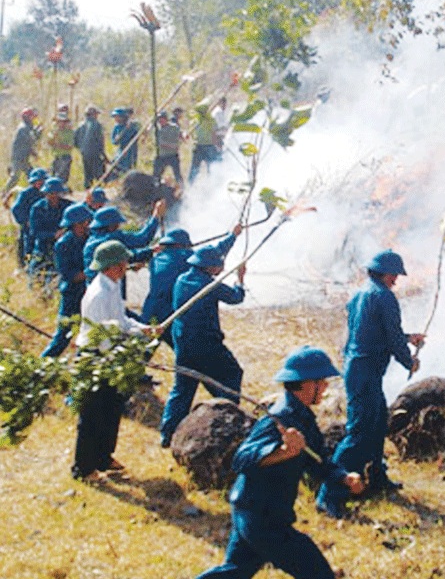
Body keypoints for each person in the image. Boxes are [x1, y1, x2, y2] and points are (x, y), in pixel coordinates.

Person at [196, 346, 365, 579]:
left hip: (258, 511)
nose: (326, 387)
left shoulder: (303, 417)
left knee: (236, 571)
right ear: (305, 384)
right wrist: (283, 452)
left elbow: (317, 460)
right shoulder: (278, 418)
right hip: (261, 516)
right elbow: (241, 460)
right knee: (317, 573)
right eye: (322, 381)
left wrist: (343, 477)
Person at [315, 249, 425, 518]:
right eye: (395, 275)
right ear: (386, 274)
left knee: (376, 426)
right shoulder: (384, 297)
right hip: (366, 371)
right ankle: (329, 494)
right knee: (360, 433)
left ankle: (377, 478)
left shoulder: (360, 294)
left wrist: (409, 337)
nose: (396, 280)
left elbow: (375, 331)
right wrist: (408, 360)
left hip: (360, 368)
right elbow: (390, 338)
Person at [71, 240, 156, 481]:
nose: (127, 266)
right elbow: (103, 336)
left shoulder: (112, 286)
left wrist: (143, 329)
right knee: (92, 416)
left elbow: (121, 320)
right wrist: (122, 352)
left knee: (111, 409)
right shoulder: (98, 294)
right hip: (98, 358)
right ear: (114, 266)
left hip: (111, 355)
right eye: (124, 262)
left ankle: (103, 457)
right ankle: (84, 469)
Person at [159, 244, 246, 448]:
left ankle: (167, 434)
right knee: (231, 375)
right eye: (218, 265)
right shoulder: (208, 285)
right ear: (210, 267)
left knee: (182, 389)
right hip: (206, 345)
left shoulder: (181, 279)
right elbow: (236, 298)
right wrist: (240, 280)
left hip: (183, 344)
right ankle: (228, 418)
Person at [141, 225, 240, 344]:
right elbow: (213, 253)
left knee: (141, 352)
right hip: (171, 315)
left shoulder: (155, 260)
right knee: (185, 353)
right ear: (182, 245)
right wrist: (233, 236)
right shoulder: (186, 258)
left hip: (150, 312)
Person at [42, 203, 93, 357]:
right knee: (63, 336)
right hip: (72, 295)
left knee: (91, 334)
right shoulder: (63, 244)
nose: (88, 224)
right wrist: (93, 272)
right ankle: (42, 368)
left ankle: (81, 366)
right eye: (86, 221)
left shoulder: (89, 238)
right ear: (77, 224)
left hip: (87, 293)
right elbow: (69, 275)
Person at [83, 202, 165, 290]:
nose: (118, 226)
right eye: (117, 224)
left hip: (94, 285)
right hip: (109, 286)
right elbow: (142, 239)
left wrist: (128, 267)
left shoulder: (92, 240)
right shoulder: (112, 238)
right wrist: (156, 215)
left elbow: (109, 264)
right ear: (111, 225)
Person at [28, 177, 74, 283]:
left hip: (65, 246)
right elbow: (34, 232)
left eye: (57, 193)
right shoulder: (37, 208)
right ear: (45, 193)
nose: (54, 196)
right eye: (51, 193)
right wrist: (53, 235)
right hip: (43, 247)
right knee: (36, 272)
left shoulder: (69, 206)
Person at [10, 168, 48, 267]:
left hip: (43, 225)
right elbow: (16, 209)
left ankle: (43, 264)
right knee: (28, 247)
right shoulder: (26, 194)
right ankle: (27, 264)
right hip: (29, 227)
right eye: (38, 181)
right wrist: (25, 221)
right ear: (33, 182)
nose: (41, 183)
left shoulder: (47, 193)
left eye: (43, 181)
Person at [5, 107, 40, 193]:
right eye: (32, 117)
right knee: (15, 177)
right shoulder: (23, 128)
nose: (34, 119)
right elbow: (30, 140)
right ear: (27, 117)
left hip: (24, 157)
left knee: (31, 174)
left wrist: (33, 153)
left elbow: (28, 144)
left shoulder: (28, 127)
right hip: (19, 157)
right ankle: (4, 193)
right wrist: (38, 133)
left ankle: (35, 192)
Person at [187, 100, 220, 183]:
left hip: (207, 146)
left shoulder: (208, 121)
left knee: (211, 169)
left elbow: (214, 134)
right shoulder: (198, 121)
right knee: (196, 169)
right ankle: (190, 186)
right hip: (201, 147)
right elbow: (214, 134)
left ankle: (212, 186)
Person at [74, 105, 107, 188]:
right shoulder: (97, 125)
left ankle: (87, 191)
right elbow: (100, 141)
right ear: (93, 114)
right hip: (95, 153)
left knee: (87, 174)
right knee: (99, 174)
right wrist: (104, 155)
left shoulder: (80, 125)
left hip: (84, 153)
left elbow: (75, 140)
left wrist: (81, 149)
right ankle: (98, 191)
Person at [152, 111, 184, 185]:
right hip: (162, 156)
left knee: (177, 174)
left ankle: (182, 188)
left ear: (166, 119)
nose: (160, 121)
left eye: (162, 119)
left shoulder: (174, 127)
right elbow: (161, 143)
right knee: (156, 175)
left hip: (172, 155)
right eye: (159, 119)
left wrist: (183, 137)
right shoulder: (158, 130)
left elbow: (180, 134)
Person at [110, 107, 140, 178]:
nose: (116, 119)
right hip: (121, 151)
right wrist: (119, 136)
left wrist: (130, 127)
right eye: (115, 117)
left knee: (129, 168)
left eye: (118, 117)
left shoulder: (132, 126)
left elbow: (136, 136)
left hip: (131, 151)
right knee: (117, 167)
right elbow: (114, 141)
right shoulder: (117, 127)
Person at [48, 112, 75, 182]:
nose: (62, 123)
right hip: (56, 157)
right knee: (53, 176)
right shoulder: (54, 131)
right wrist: (54, 137)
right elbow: (49, 142)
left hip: (65, 157)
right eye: (60, 121)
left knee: (62, 177)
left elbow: (70, 146)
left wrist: (59, 145)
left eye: (64, 122)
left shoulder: (70, 132)